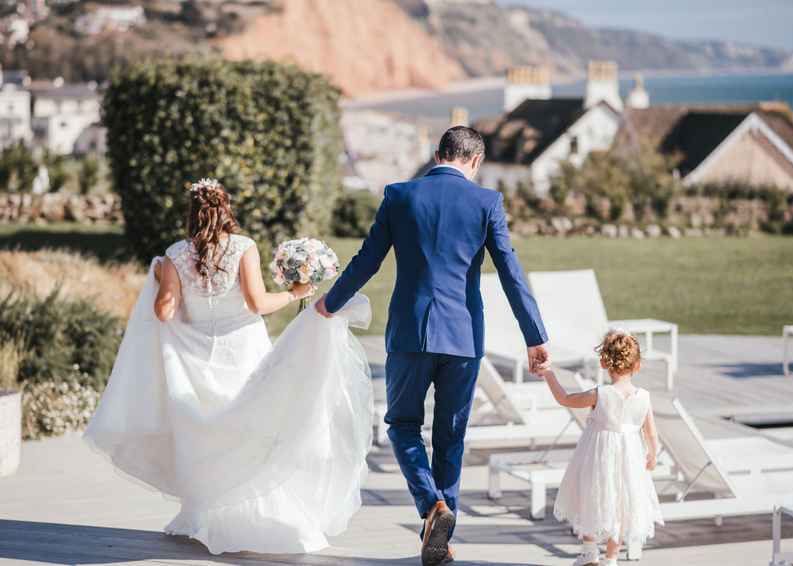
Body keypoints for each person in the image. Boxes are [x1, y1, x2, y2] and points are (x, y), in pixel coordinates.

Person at [84, 179, 374, 555]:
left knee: (206, 438)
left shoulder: (174, 255)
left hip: (196, 359)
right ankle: (254, 512)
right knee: (251, 431)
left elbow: (164, 312)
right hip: (243, 352)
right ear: (226, 210)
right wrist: (294, 293)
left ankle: (207, 515)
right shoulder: (244, 247)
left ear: (192, 214)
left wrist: (159, 275)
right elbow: (256, 303)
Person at [316, 126, 550, 566]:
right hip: (463, 339)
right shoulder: (487, 202)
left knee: (403, 425)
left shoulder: (400, 195)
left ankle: (431, 507)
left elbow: (367, 259)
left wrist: (330, 302)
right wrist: (534, 337)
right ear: (475, 161)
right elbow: (511, 274)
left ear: (437, 153)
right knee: (450, 438)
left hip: (409, 333)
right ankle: (442, 531)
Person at [539, 328, 664, 566]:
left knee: (592, 496)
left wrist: (548, 373)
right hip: (628, 461)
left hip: (598, 457)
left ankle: (589, 552)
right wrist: (653, 454)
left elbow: (564, 399)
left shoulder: (600, 394)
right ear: (637, 366)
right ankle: (611, 559)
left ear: (603, 363)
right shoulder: (644, 397)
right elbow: (651, 432)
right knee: (619, 505)